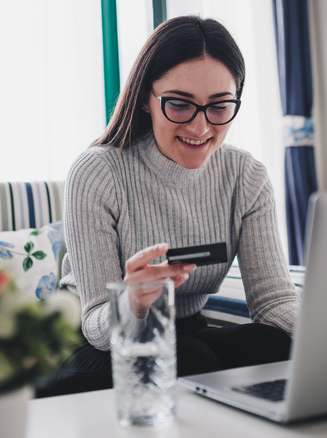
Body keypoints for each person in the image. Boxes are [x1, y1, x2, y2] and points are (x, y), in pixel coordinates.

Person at [41, 15, 299, 396]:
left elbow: (274, 302)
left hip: (184, 333)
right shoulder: (97, 172)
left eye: (219, 106)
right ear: (147, 97)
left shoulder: (246, 177)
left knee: (273, 346)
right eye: (179, 105)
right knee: (190, 359)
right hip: (89, 339)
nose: (200, 128)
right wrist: (132, 300)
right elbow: (96, 324)